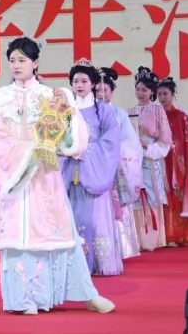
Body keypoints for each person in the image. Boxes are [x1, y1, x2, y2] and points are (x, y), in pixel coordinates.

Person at [0, 37, 115, 315]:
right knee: (19, 238)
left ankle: (86, 293)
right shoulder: (0, 98)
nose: (16, 65)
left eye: (22, 60)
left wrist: (68, 115)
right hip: (16, 178)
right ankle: (23, 300)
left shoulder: (51, 96)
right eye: (12, 60)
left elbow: (72, 142)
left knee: (59, 233)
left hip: (45, 177)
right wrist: (29, 151)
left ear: (35, 63)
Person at [61, 59, 122, 276]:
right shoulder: (65, 109)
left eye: (84, 81)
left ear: (94, 83)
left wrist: (86, 151)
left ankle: (96, 262)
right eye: (75, 81)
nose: (79, 85)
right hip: (69, 168)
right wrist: (67, 149)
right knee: (69, 215)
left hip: (94, 169)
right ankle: (73, 264)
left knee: (93, 218)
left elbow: (111, 140)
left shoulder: (102, 110)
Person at [96, 67, 143, 260]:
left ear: (112, 91)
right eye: (97, 90)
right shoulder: (89, 111)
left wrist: (115, 152)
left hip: (115, 166)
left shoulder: (119, 113)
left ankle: (122, 248)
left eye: (105, 90)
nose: (101, 94)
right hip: (95, 164)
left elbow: (130, 142)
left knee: (117, 204)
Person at [157, 77, 188, 246]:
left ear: (173, 95)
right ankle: (163, 236)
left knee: (176, 196)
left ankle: (178, 235)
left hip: (176, 162)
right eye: (159, 94)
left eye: (165, 94)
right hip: (159, 159)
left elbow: (187, 143)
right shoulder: (155, 115)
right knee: (162, 195)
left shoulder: (181, 116)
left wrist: (173, 145)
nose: (162, 97)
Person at [128, 67, 172, 251]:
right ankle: (137, 239)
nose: (140, 93)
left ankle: (153, 239)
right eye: (138, 89)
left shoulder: (157, 110)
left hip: (150, 159)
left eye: (144, 90)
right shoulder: (130, 111)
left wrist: (149, 147)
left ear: (152, 91)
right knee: (135, 195)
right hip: (133, 160)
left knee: (151, 195)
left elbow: (166, 140)